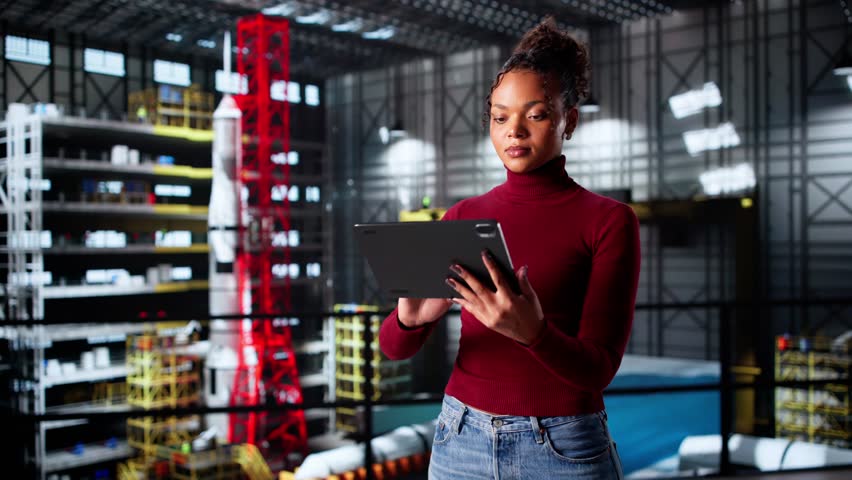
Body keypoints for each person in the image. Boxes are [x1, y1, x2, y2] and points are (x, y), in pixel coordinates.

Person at [378, 16, 640, 480]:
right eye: (500, 117)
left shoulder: (609, 221)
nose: (514, 131)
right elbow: (393, 348)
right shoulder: (461, 216)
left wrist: (534, 334)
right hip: (460, 438)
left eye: (535, 115)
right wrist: (410, 321)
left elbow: (599, 369)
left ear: (569, 121)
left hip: (563, 446)